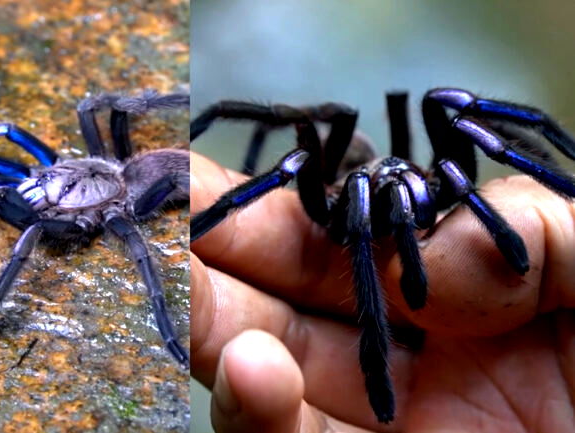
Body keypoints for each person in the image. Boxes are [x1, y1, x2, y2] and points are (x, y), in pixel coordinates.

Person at [190, 151, 575, 433]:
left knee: (451, 105)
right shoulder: (350, 191)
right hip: (347, 200)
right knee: (319, 160)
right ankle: (196, 230)